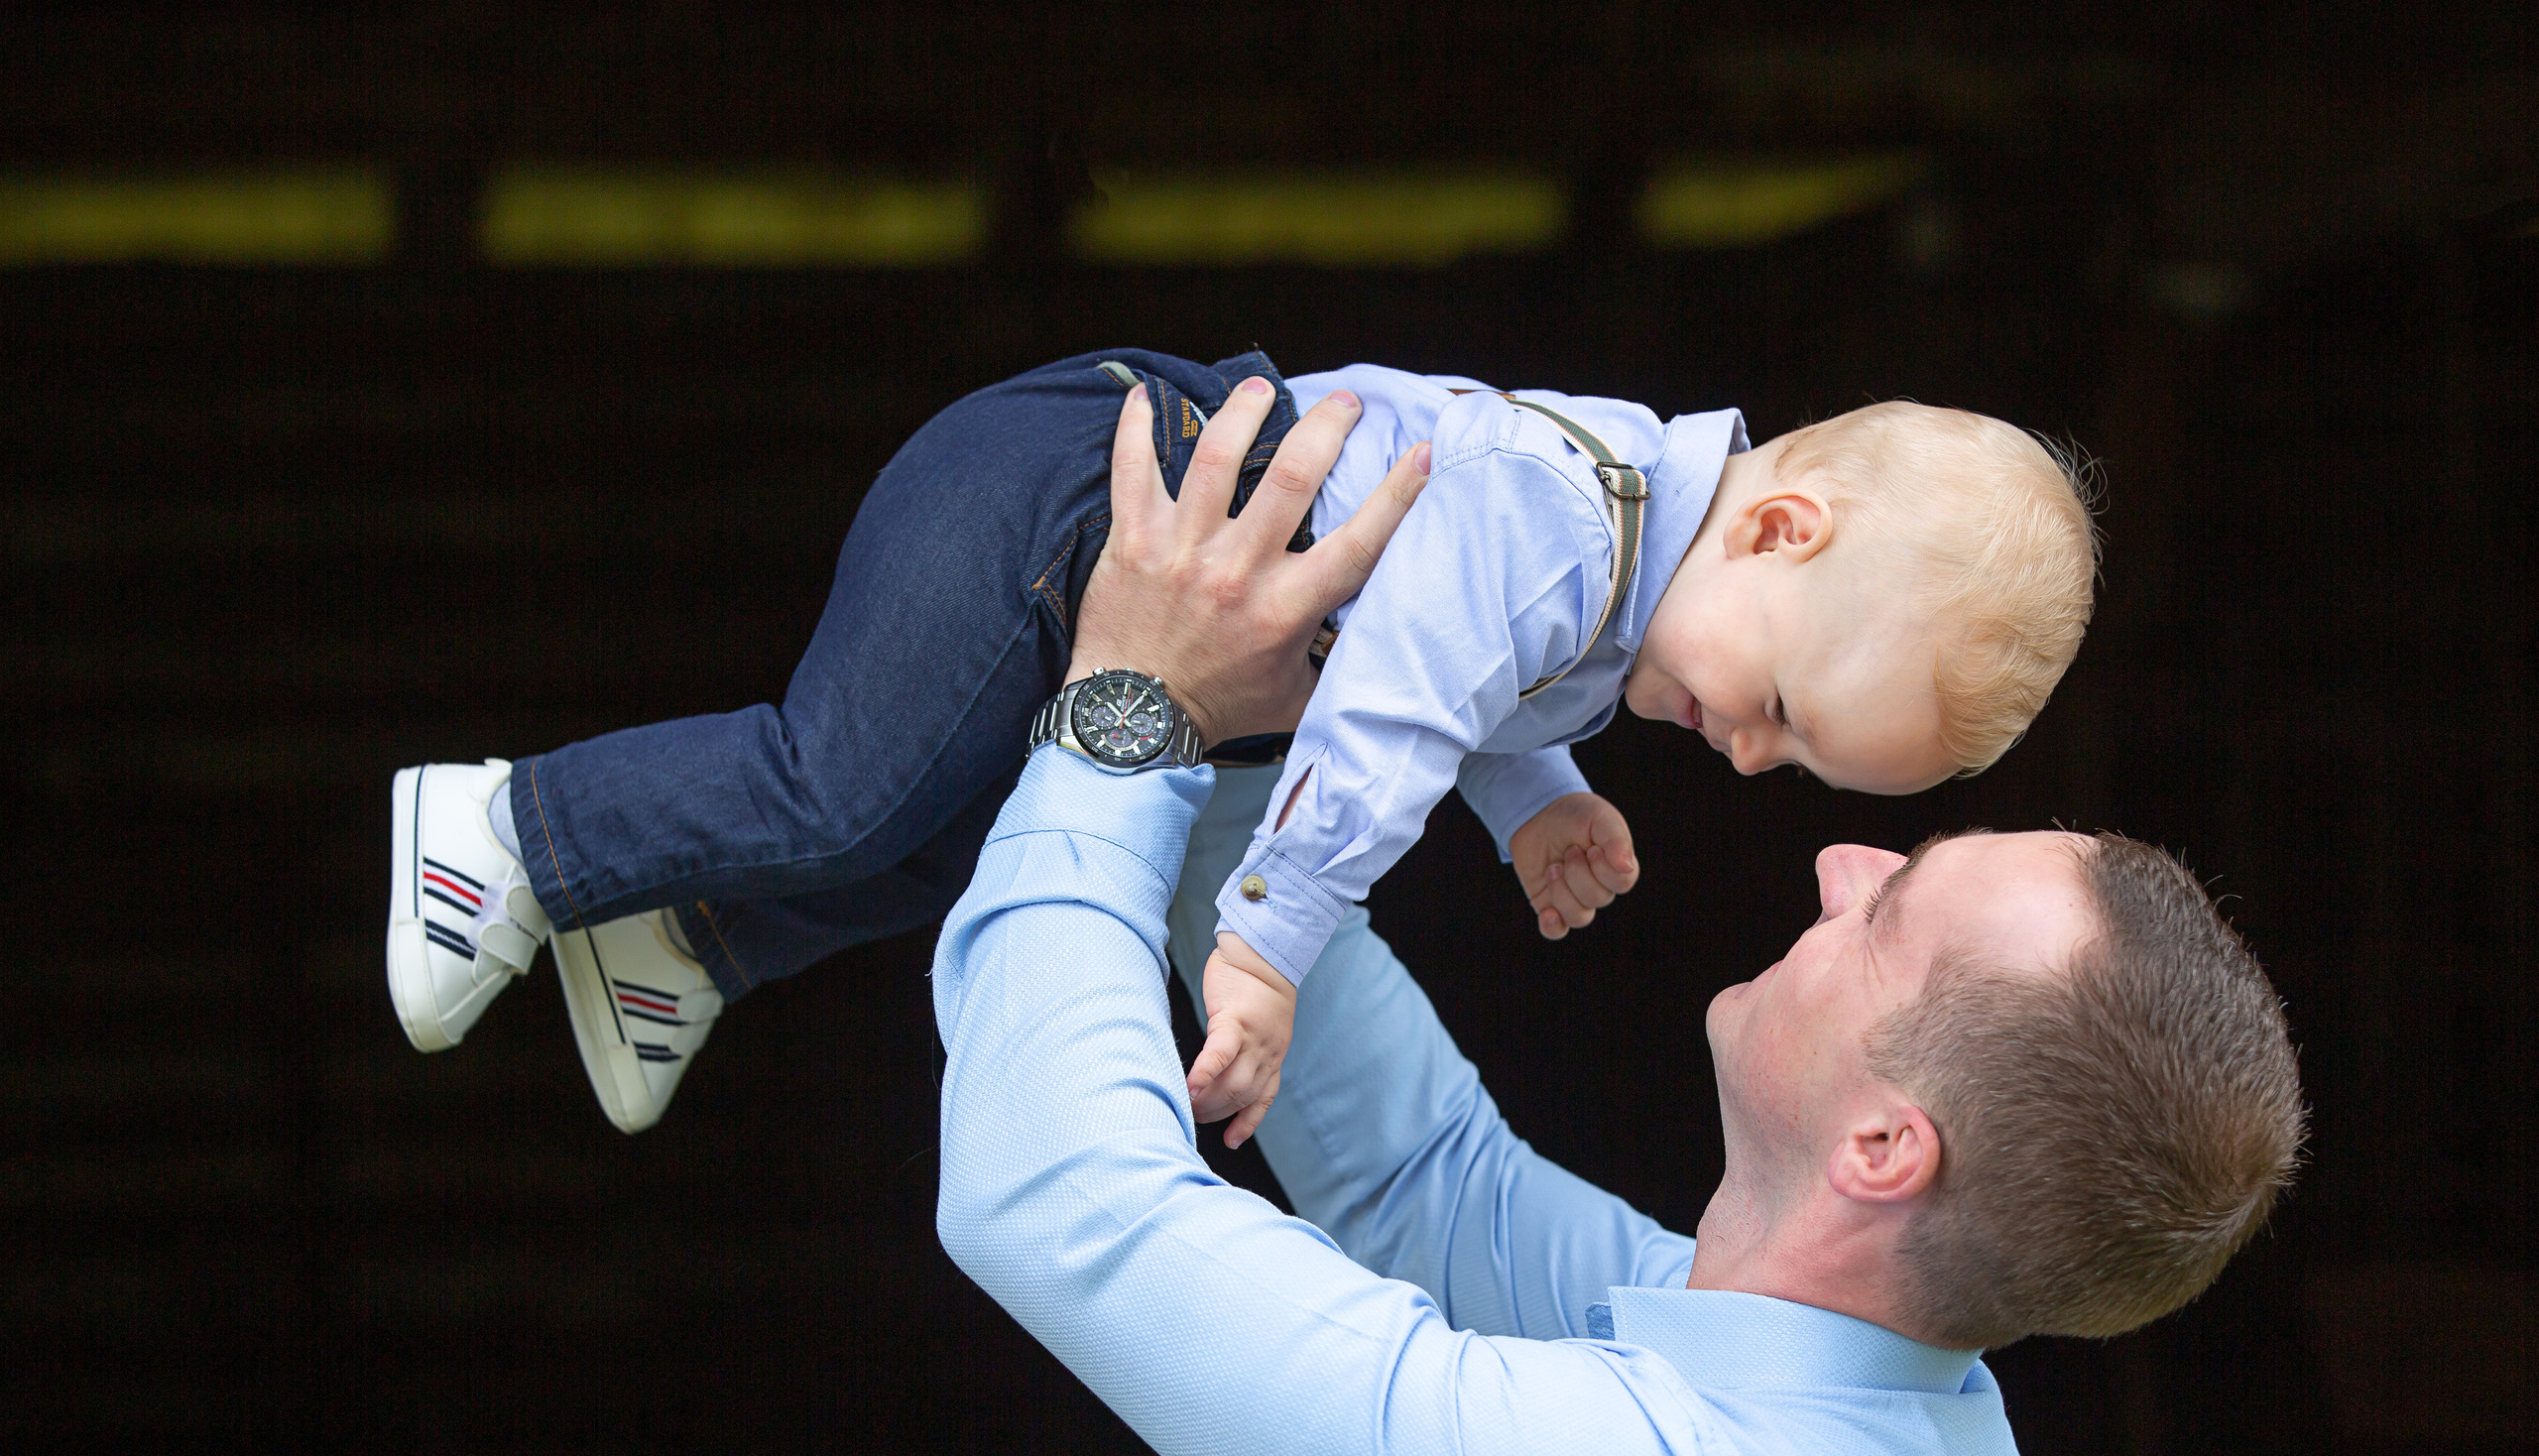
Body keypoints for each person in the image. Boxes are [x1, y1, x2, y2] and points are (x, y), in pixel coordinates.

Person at [930, 395, 2305, 1456]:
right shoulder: (1900, 1433)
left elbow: (1059, 1201)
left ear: (1886, 1147)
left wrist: (1131, 701)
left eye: (1893, 914)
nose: (1841, 863)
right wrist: (1245, 722)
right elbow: (1422, 1183)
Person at [385, 350, 2095, 1136]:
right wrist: (1267, 948)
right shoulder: (1571, 519)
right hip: (1069, 494)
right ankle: (513, 831)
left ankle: (686, 940)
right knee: (841, 781)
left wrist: (1538, 798)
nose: (1750, 758)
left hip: (1100, 564)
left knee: (957, 821)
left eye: (1793, 762)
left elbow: (1479, 687)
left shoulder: (1617, 593)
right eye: (1782, 711)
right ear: (1781, 530)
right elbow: (1401, 705)